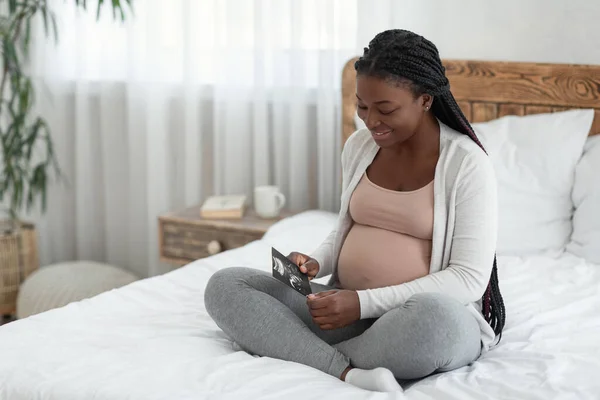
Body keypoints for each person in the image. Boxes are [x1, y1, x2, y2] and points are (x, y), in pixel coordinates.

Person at [204, 29, 506, 393]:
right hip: (340, 310)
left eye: (386, 109)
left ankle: (290, 347)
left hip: (407, 319)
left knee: (436, 324)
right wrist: (317, 263)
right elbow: (347, 227)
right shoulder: (360, 146)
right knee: (226, 285)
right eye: (362, 106)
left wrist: (362, 303)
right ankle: (349, 371)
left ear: (425, 100)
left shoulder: (467, 164)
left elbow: (468, 278)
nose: (370, 120)